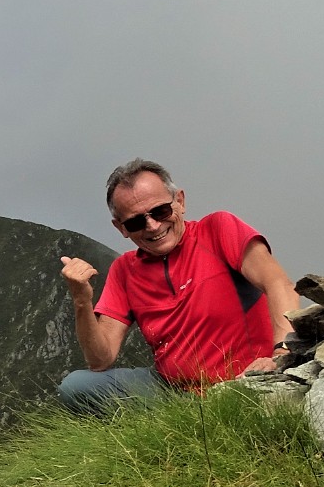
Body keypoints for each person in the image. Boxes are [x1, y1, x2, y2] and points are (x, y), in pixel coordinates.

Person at [57, 158, 299, 414]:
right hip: (173, 391)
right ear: (121, 228)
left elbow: (278, 283)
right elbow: (100, 359)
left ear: (180, 201)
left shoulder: (218, 229)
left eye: (160, 211)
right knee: (76, 387)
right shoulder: (124, 270)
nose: (152, 226)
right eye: (136, 222)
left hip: (243, 382)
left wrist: (281, 353)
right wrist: (81, 301)